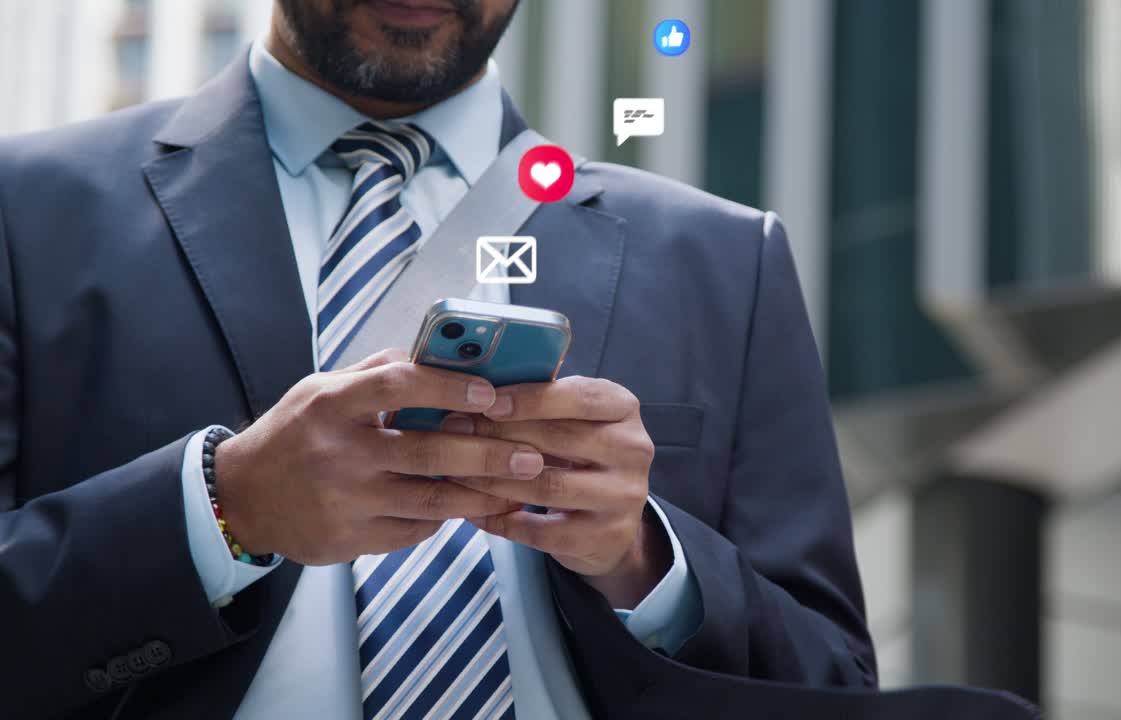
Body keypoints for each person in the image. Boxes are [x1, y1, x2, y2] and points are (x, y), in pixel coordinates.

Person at [0, 0, 876, 717]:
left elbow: (831, 684)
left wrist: (648, 564)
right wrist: (224, 510)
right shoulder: (26, 215)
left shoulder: (724, 260)